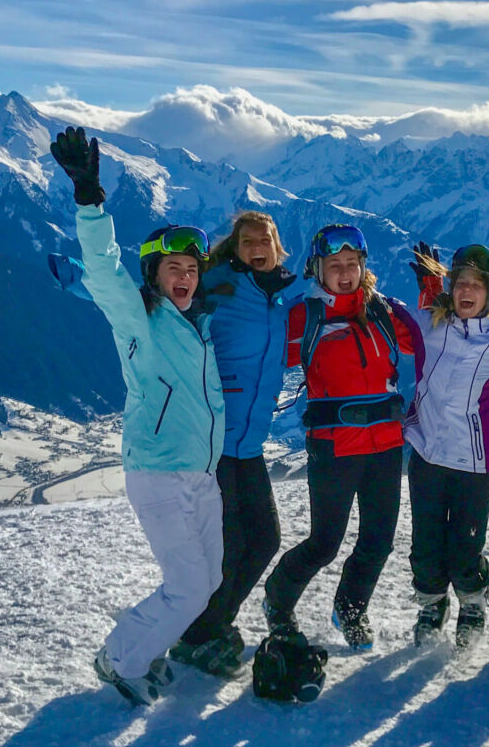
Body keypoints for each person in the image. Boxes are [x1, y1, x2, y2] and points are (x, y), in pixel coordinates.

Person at [49, 126, 225, 704]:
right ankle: (120, 658)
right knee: (189, 585)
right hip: (156, 471)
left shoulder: (197, 326)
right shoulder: (140, 320)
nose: (184, 277)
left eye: (192, 269)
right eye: (173, 268)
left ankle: (142, 650)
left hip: (200, 474)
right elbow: (102, 269)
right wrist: (89, 197)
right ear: (153, 274)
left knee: (208, 583)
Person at [261, 224, 416, 651]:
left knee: (378, 541)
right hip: (335, 447)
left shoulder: (383, 312)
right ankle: (278, 600)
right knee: (325, 543)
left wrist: (433, 296)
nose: (345, 273)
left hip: (385, 444)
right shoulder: (305, 316)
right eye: (335, 266)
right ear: (319, 270)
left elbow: (428, 340)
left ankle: (350, 609)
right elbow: (258, 347)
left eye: (352, 264)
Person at [168, 211, 299, 676]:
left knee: (265, 539)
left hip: (250, 442)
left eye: (264, 239)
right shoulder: (215, 284)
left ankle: (210, 625)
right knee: (229, 542)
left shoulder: (281, 297)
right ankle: (199, 634)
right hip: (212, 438)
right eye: (247, 240)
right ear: (236, 247)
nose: (256, 246)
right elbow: (157, 304)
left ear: (277, 247)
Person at [403, 242, 489, 648]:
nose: (466, 291)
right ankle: (431, 604)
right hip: (425, 455)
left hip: (474, 464)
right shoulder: (430, 325)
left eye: (477, 285)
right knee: (425, 544)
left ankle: (472, 603)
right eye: (460, 284)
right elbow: (403, 315)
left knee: (465, 547)